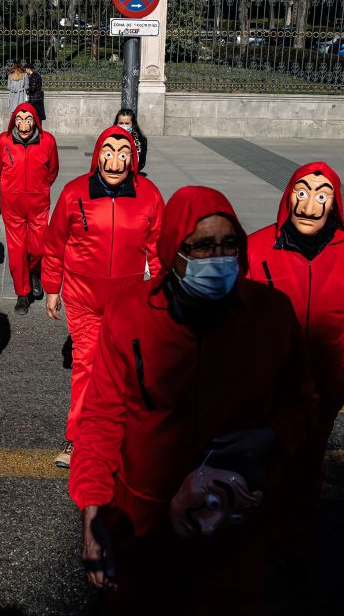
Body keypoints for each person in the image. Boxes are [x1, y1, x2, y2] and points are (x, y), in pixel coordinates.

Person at [70, 186, 317, 615]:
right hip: (145, 524)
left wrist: (270, 436)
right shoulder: (129, 313)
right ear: (173, 251)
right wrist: (93, 512)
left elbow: (304, 404)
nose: (217, 257)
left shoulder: (272, 314)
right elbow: (101, 419)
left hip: (233, 522)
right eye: (201, 246)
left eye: (228, 244)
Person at [246, 162, 344, 587]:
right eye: (302, 191)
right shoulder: (257, 247)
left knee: (307, 468)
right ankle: (256, 548)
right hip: (269, 389)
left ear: (334, 204)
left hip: (323, 388)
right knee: (266, 468)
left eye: (321, 195)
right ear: (287, 196)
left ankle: (293, 547)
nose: (309, 204)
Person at [43, 125, 164, 469]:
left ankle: (122, 435)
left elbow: (158, 250)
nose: (115, 161)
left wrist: (162, 294)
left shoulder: (149, 194)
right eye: (108, 153)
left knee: (128, 370)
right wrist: (52, 287)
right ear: (98, 155)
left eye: (123, 153)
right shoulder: (74, 192)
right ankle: (77, 435)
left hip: (129, 300)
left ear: (133, 157)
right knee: (86, 366)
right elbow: (55, 245)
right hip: (83, 297)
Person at [0, 102, 59, 314]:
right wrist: (11, 189)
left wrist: (40, 188)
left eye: (28, 120)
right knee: (17, 251)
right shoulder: (3, 141)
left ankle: (34, 273)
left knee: (38, 248)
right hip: (13, 206)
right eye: (19, 120)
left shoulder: (48, 141)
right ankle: (22, 293)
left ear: (35, 121)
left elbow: (53, 170)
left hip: (38, 204)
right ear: (13, 122)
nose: (23, 125)